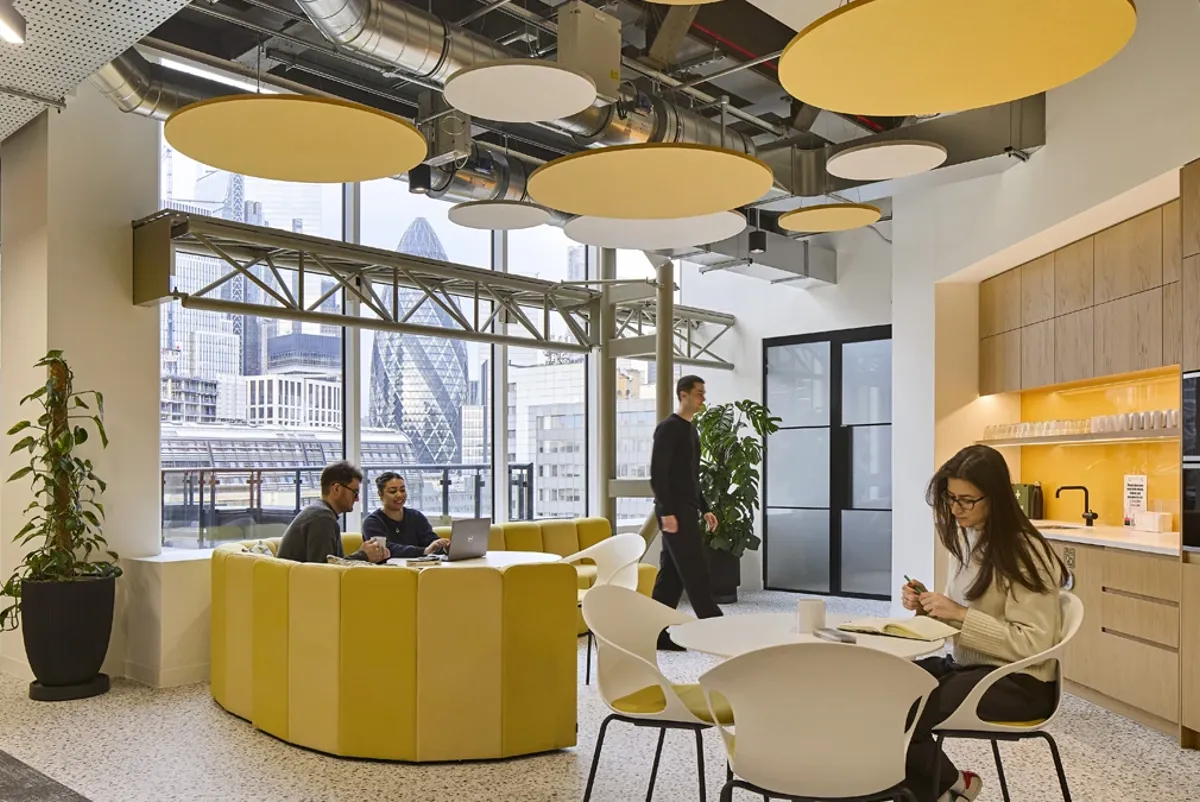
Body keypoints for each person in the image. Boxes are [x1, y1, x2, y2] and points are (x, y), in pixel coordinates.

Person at [901, 445, 1070, 802]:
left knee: (905, 711)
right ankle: (952, 788)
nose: (956, 509)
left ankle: (944, 790)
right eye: (951, 498)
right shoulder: (968, 538)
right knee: (886, 689)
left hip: (1020, 683)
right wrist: (928, 607)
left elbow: (1034, 644)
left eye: (967, 500)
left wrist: (959, 614)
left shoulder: (1025, 552)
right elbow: (965, 618)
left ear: (996, 498)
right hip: (972, 668)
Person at [650, 374, 722, 651]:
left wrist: (705, 509)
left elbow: (691, 477)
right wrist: (667, 512)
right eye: (699, 393)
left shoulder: (691, 431)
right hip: (674, 513)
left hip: (687, 510)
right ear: (683, 395)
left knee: (671, 578)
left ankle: (655, 633)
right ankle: (719, 630)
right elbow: (658, 474)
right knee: (696, 571)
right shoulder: (668, 429)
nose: (703, 398)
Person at [277, 461, 389, 564]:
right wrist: (363, 555)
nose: (357, 499)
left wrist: (363, 555)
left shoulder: (320, 512)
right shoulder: (322, 518)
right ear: (336, 489)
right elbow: (325, 570)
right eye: (355, 492)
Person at [361, 472, 450, 559]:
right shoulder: (372, 522)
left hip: (421, 567)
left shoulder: (416, 516)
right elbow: (386, 549)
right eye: (393, 491)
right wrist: (424, 551)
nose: (399, 495)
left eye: (402, 490)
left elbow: (431, 542)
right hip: (387, 568)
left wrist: (444, 547)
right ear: (380, 494)